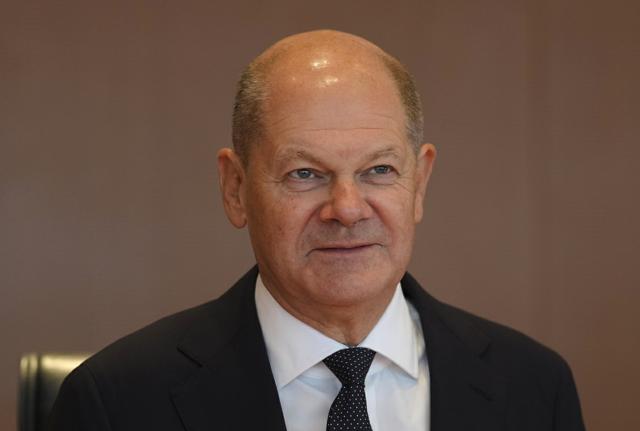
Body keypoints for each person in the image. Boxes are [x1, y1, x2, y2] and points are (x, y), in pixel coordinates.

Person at [48, 30, 585, 431]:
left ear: (419, 183)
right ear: (236, 188)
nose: (347, 209)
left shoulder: (535, 387)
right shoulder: (116, 402)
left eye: (379, 170)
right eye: (305, 173)